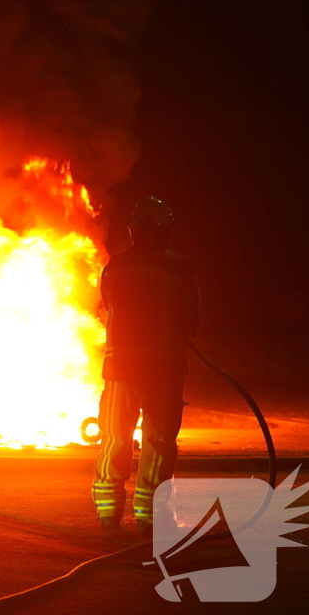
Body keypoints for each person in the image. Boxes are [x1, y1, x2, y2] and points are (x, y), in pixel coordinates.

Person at [91, 196, 201, 534]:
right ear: (166, 229)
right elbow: (192, 320)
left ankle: (108, 512)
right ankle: (148, 516)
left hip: (121, 369)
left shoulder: (115, 265)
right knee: (158, 441)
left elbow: (107, 307)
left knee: (115, 437)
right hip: (163, 371)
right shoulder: (179, 267)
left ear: (133, 230)